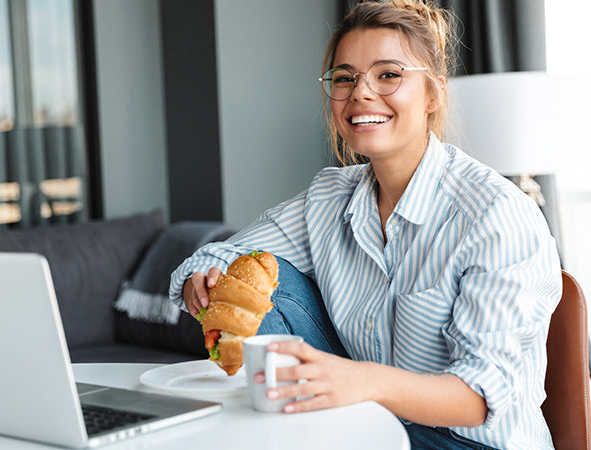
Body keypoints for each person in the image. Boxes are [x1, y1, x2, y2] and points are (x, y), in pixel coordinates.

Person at [169, 1, 562, 448]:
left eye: (389, 74)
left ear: (433, 94)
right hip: (367, 426)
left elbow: (478, 397)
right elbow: (214, 259)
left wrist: (359, 381)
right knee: (260, 274)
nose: (361, 93)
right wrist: (201, 284)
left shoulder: (494, 216)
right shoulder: (328, 197)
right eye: (345, 78)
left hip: (468, 442)